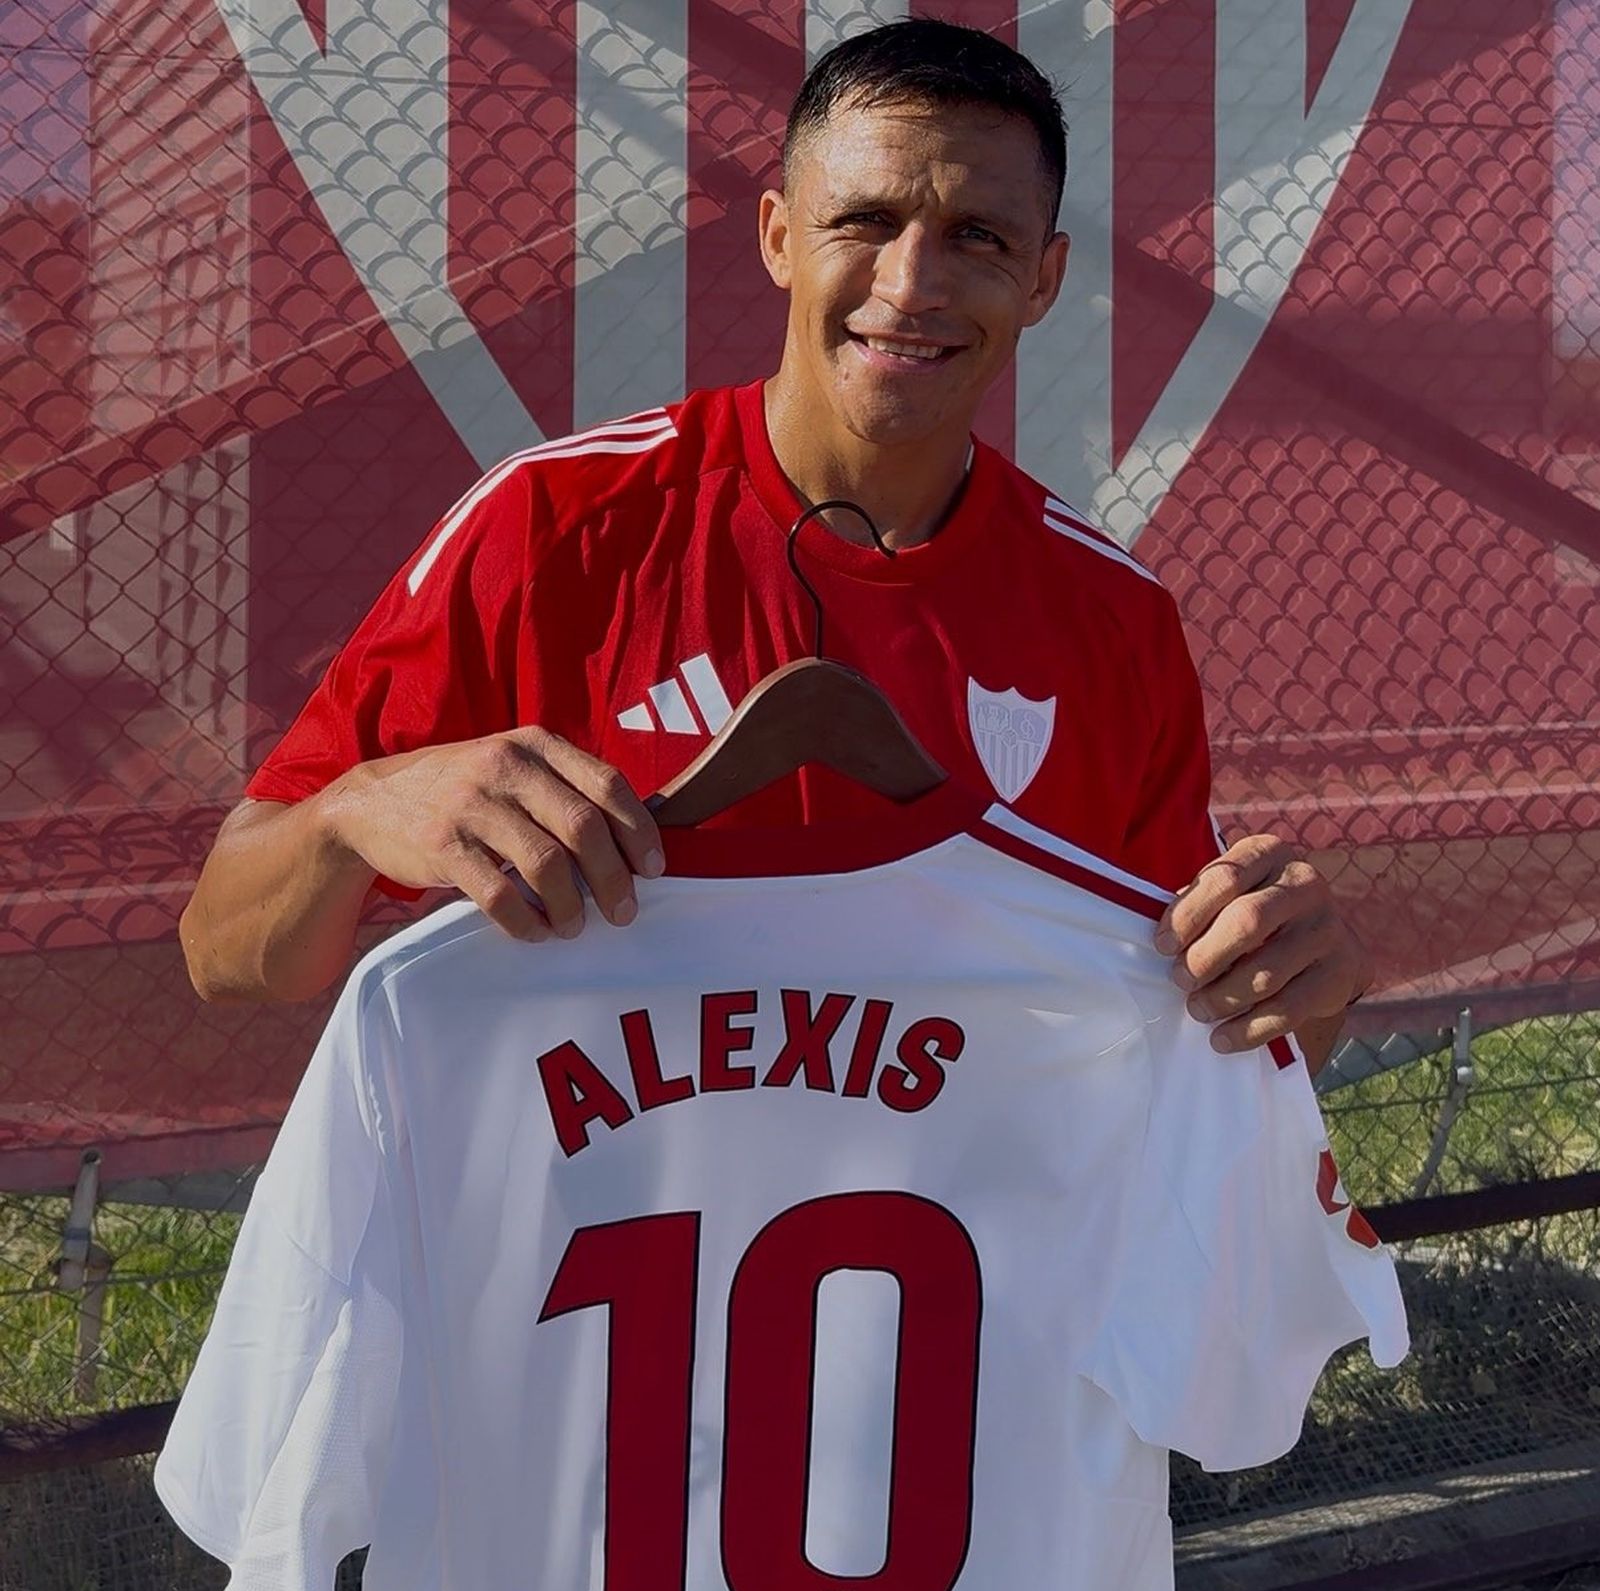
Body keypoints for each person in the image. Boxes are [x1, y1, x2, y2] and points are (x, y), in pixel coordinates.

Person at [179, 19, 1371, 1072]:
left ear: (1045, 280)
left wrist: (1295, 986)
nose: (912, 284)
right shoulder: (551, 528)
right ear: (777, 237)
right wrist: (355, 812)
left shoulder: (1112, 618)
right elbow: (228, 954)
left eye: (979, 239)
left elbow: (1213, 1021)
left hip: (958, 1287)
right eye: (865, 220)